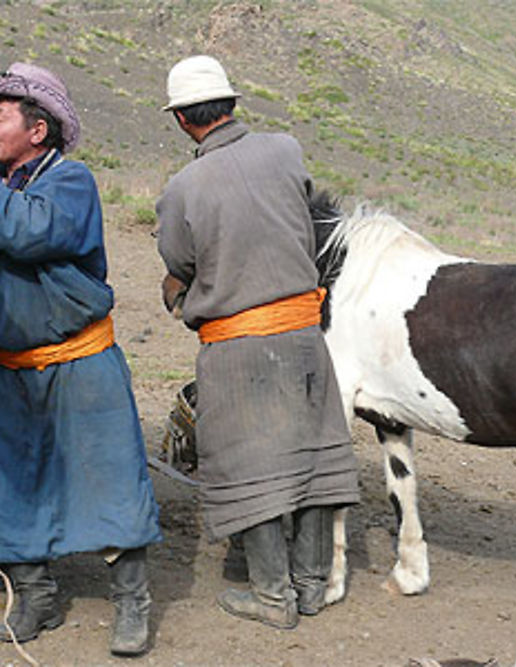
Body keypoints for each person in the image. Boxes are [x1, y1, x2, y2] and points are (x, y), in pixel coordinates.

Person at [0, 62, 161, 657]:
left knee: (109, 478)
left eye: (0, 116)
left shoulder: (71, 182)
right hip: (8, 369)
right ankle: (36, 594)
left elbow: (31, 233)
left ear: (39, 130)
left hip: (81, 362)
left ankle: (133, 600)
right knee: (7, 485)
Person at [155, 55, 360, 629]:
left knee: (252, 465)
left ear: (181, 121)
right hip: (303, 332)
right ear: (233, 105)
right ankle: (312, 586)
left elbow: (179, 261)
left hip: (238, 344)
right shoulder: (286, 150)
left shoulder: (182, 188)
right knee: (314, 451)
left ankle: (273, 599)